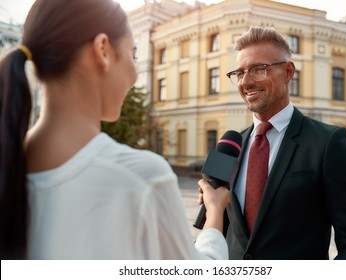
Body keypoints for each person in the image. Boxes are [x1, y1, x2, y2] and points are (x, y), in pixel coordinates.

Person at [0, 0, 229, 260]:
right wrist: (214, 214)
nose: (134, 75)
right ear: (103, 50)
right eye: (133, 54)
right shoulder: (140, 179)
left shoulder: (10, 167)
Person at [223, 26, 346, 260]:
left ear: (288, 72)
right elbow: (211, 230)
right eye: (239, 73)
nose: (246, 82)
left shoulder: (329, 143)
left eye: (258, 69)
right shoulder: (229, 146)